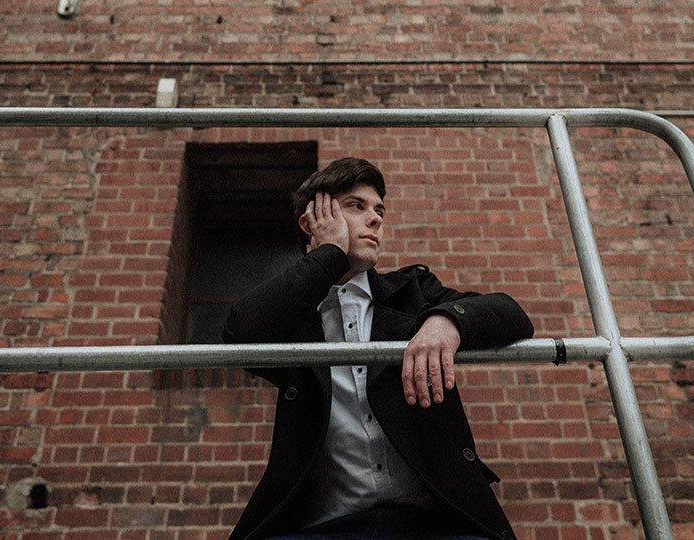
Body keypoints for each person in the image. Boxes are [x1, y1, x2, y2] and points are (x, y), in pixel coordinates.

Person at [222, 158, 534, 540]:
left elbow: (513, 314)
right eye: (357, 206)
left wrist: (446, 321)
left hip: (436, 525)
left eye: (379, 210)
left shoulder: (411, 292)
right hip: (324, 527)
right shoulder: (292, 313)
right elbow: (240, 333)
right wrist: (329, 254)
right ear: (312, 221)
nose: (376, 219)